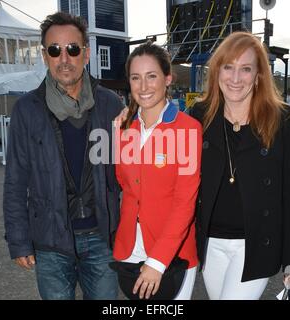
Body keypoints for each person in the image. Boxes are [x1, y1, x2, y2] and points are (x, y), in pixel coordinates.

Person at [3, 12, 123, 300]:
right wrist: (19, 242)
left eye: (72, 49)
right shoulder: (26, 109)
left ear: (86, 54)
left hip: (102, 236)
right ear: (45, 56)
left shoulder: (109, 103)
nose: (64, 58)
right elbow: (15, 181)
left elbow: (126, 174)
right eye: (55, 50)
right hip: (50, 241)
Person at [189, 31, 290, 300]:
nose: (236, 78)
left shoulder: (283, 119)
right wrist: (131, 117)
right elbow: (165, 140)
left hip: (255, 245)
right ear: (217, 72)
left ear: (258, 75)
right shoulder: (200, 115)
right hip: (210, 244)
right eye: (228, 67)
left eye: (246, 69)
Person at [113, 42, 202, 300]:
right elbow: (125, 185)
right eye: (135, 78)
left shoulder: (187, 129)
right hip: (130, 248)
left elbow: (185, 203)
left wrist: (158, 261)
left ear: (167, 78)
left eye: (152, 76)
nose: (143, 87)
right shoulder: (122, 128)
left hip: (171, 254)